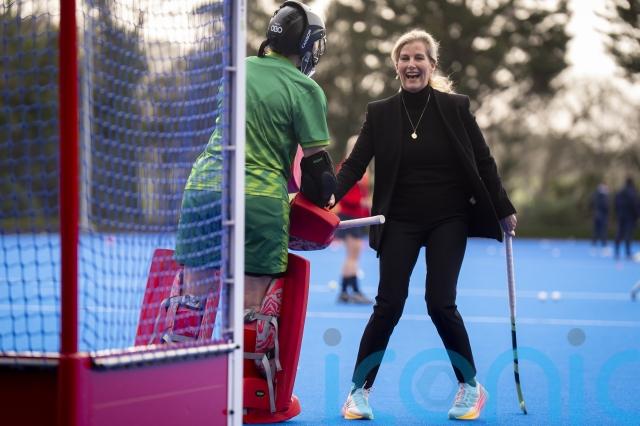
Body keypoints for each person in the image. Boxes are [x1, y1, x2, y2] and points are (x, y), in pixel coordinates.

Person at [334, 30, 517, 421]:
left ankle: (470, 386)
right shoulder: (380, 113)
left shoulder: (455, 107)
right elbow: (354, 165)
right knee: (388, 305)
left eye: (419, 57)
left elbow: (483, 161)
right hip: (399, 219)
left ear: (432, 65)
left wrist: (503, 207)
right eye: (404, 58)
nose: (411, 64)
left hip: (448, 218)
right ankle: (358, 392)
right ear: (396, 66)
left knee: (440, 303)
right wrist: (329, 196)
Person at [174, 0, 335, 339]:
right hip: (259, 199)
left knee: (191, 308)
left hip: (205, 188)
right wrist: (323, 200)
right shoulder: (305, 88)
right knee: (251, 317)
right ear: (305, 44)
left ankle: (182, 355)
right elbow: (317, 169)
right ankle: (248, 363)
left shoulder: (237, 69)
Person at [335, 136, 373, 304]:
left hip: (356, 216)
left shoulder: (362, 168)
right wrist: (362, 202)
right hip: (349, 215)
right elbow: (346, 195)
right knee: (353, 255)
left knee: (352, 255)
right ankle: (353, 290)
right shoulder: (347, 167)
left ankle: (345, 291)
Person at [614, 177, 639, 260]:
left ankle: (616, 252)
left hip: (621, 216)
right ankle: (628, 253)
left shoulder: (620, 192)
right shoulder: (633, 192)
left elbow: (616, 204)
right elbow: (635, 205)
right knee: (628, 235)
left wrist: (618, 213)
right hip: (630, 217)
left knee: (619, 233)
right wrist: (637, 215)